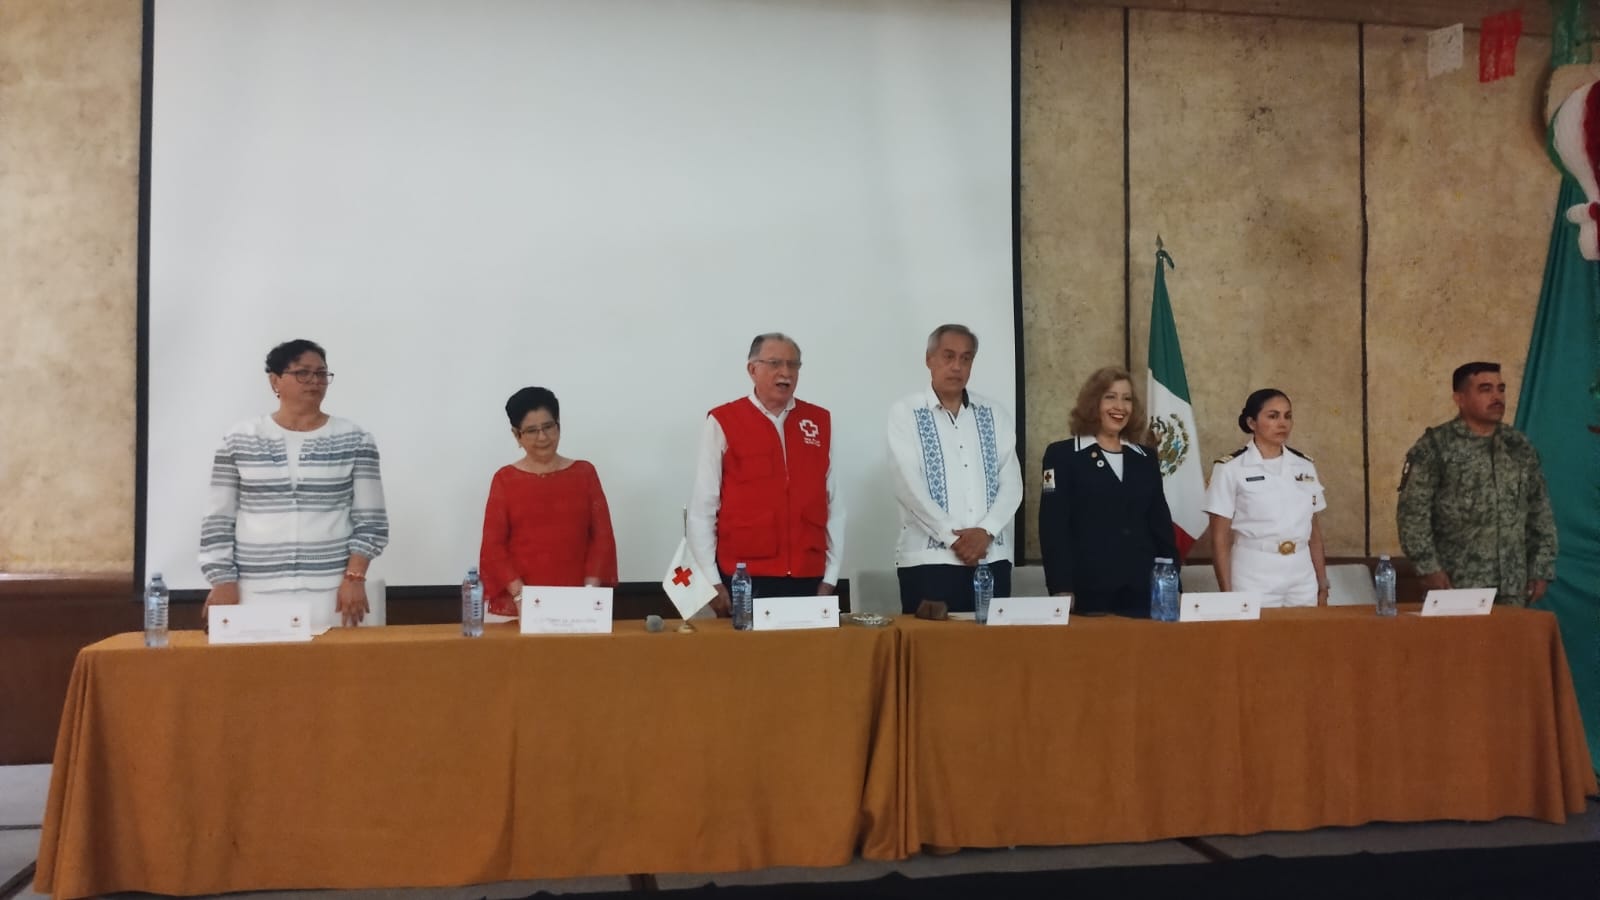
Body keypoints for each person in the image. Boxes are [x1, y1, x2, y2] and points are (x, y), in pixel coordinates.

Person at [199, 339, 389, 630]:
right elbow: (218, 519)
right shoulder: (239, 438)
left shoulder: (355, 438)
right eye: (302, 373)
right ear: (275, 380)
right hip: (254, 591)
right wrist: (222, 579)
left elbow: (371, 521)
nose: (314, 381)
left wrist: (354, 577)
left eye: (321, 373)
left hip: (332, 591)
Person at [688, 332, 844, 615]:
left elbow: (834, 505)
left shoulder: (818, 421)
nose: (785, 373)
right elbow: (703, 508)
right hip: (745, 577)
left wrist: (831, 577)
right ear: (752, 369)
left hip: (808, 575)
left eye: (793, 365)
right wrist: (711, 580)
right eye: (775, 363)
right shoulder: (724, 420)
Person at [887, 324, 1023, 614]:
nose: (957, 366)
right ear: (929, 359)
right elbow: (907, 486)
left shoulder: (994, 413)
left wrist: (985, 532)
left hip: (992, 558)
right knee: (932, 654)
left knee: (991, 655)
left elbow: (1011, 483)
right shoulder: (906, 413)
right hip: (928, 564)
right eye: (948, 356)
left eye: (966, 358)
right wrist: (954, 539)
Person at [1397, 361, 1557, 605]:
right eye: (1485, 389)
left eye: (1500, 389)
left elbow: (1540, 512)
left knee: (1511, 644)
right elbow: (1412, 515)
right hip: (1456, 584)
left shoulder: (1519, 446)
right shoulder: (1436, 447)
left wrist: (1541, 568)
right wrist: (1428, 568)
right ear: (1459, 398)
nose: (1497, 397)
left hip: (1514, 586)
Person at [1039, 366, 1177, 616]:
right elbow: (1053, 528)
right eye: (1110, 397)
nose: (1120, 407)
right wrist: (1061, 587)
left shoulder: (1145, 458)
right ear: (1093, 402)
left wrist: (1174, 582)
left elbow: (1161, 526)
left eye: (1127, 399)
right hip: (1088, 590)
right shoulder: (1062, 455)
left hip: (1142, 590)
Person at [478, 387, 618, 617]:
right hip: (525, 604)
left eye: (548, 427)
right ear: (517, 435)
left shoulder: (584, 473)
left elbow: (602, 538)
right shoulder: (505, 479)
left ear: (559, 426)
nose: (542, 437)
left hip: (581, 603)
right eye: (532, 431)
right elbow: (494, 547)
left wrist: (589, 593)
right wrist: (521, 596)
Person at [1203, 389, 1329, 606]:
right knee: (1257, 639)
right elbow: (1219, 538)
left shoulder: (1304, 465)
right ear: (1252, 423)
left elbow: (1314, 531)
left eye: (1287, 416)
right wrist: (1227, 594)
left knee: (1305, 638)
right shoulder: (1230, 468)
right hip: (1254, 572)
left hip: (1301, 572)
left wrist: (1322, 581)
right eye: (1273, 416)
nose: (1283, 423)